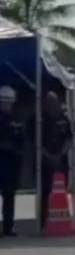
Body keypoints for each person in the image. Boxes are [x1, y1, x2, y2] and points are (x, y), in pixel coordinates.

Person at [31, 92, 73, 230]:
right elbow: (35, 142)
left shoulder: (64, 118)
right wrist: (49, 156)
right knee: (44, 193)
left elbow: (69, 139)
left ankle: (61, 221)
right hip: (44, 162)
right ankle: (43, 223)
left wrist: (60, 155)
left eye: (54, 102)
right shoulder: (37, 119)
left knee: (62, 191)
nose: (52, 105)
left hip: (61, 161)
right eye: (49, 102)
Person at [0, 86, 24, 236]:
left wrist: (20, 151)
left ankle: (8, 227)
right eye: (4, 102)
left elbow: (21, 139)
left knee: (9, 196)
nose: (6, 105)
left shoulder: (16, 119)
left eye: (9, 102)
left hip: (12, 164)